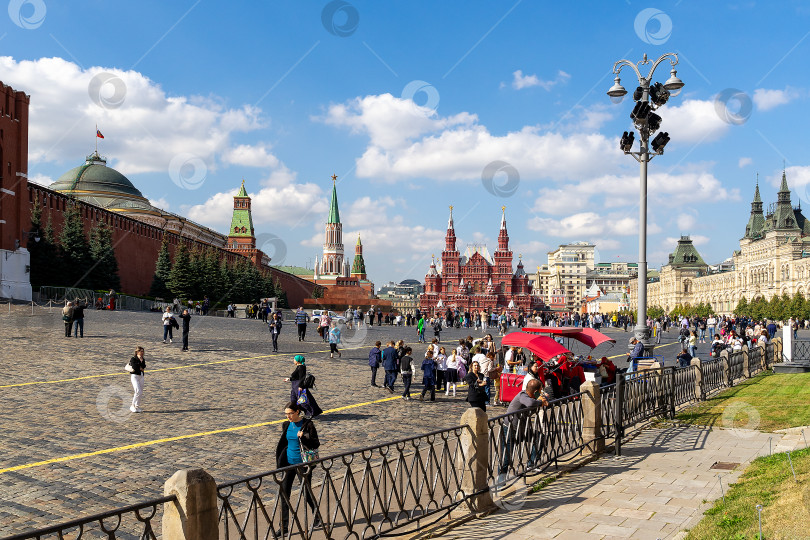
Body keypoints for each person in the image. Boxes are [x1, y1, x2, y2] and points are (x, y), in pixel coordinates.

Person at [274, 402, 322, 537]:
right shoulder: (286, 425)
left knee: (306, 493)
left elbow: (315, 443)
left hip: (303, 464)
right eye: (286, 414)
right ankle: (283, 527)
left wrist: (304, 437)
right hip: (289, 464)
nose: (288, 416)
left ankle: (317, 517)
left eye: (290, 413)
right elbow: (284, 443)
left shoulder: (308, 425)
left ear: (297, 412)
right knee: (284, 494)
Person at [499, 379, 548, 475]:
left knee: (539, 437)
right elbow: (530, 403)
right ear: (535, 392)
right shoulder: (522, 395)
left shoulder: (534, 397)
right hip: (509, 429)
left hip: (521, 429)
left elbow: (545, 402)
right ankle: (500, 480)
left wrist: (544, 399)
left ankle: (531, 464)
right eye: (540, 391)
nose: (541, 393)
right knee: (506, 458)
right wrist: (540, 401)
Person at [128, 346, 146, 413]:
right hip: (135, 376)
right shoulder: (133, 359)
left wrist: (140, 364)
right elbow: (135, 367)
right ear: (137, 352)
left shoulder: (142, 359)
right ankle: (132, 405)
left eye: (143, 351)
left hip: (141, 376)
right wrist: (140, 367)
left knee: (140, 392)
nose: (142, 353)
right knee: (137, 391)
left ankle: (137, 406)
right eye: (141, 351)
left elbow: (144, 366)